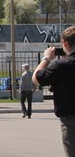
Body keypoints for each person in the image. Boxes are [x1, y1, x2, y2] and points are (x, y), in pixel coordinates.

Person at [33, 26, 75, 155]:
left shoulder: (61, 65)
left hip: (70, 119)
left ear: (64, 42)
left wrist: (46, 58)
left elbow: (36, 79)